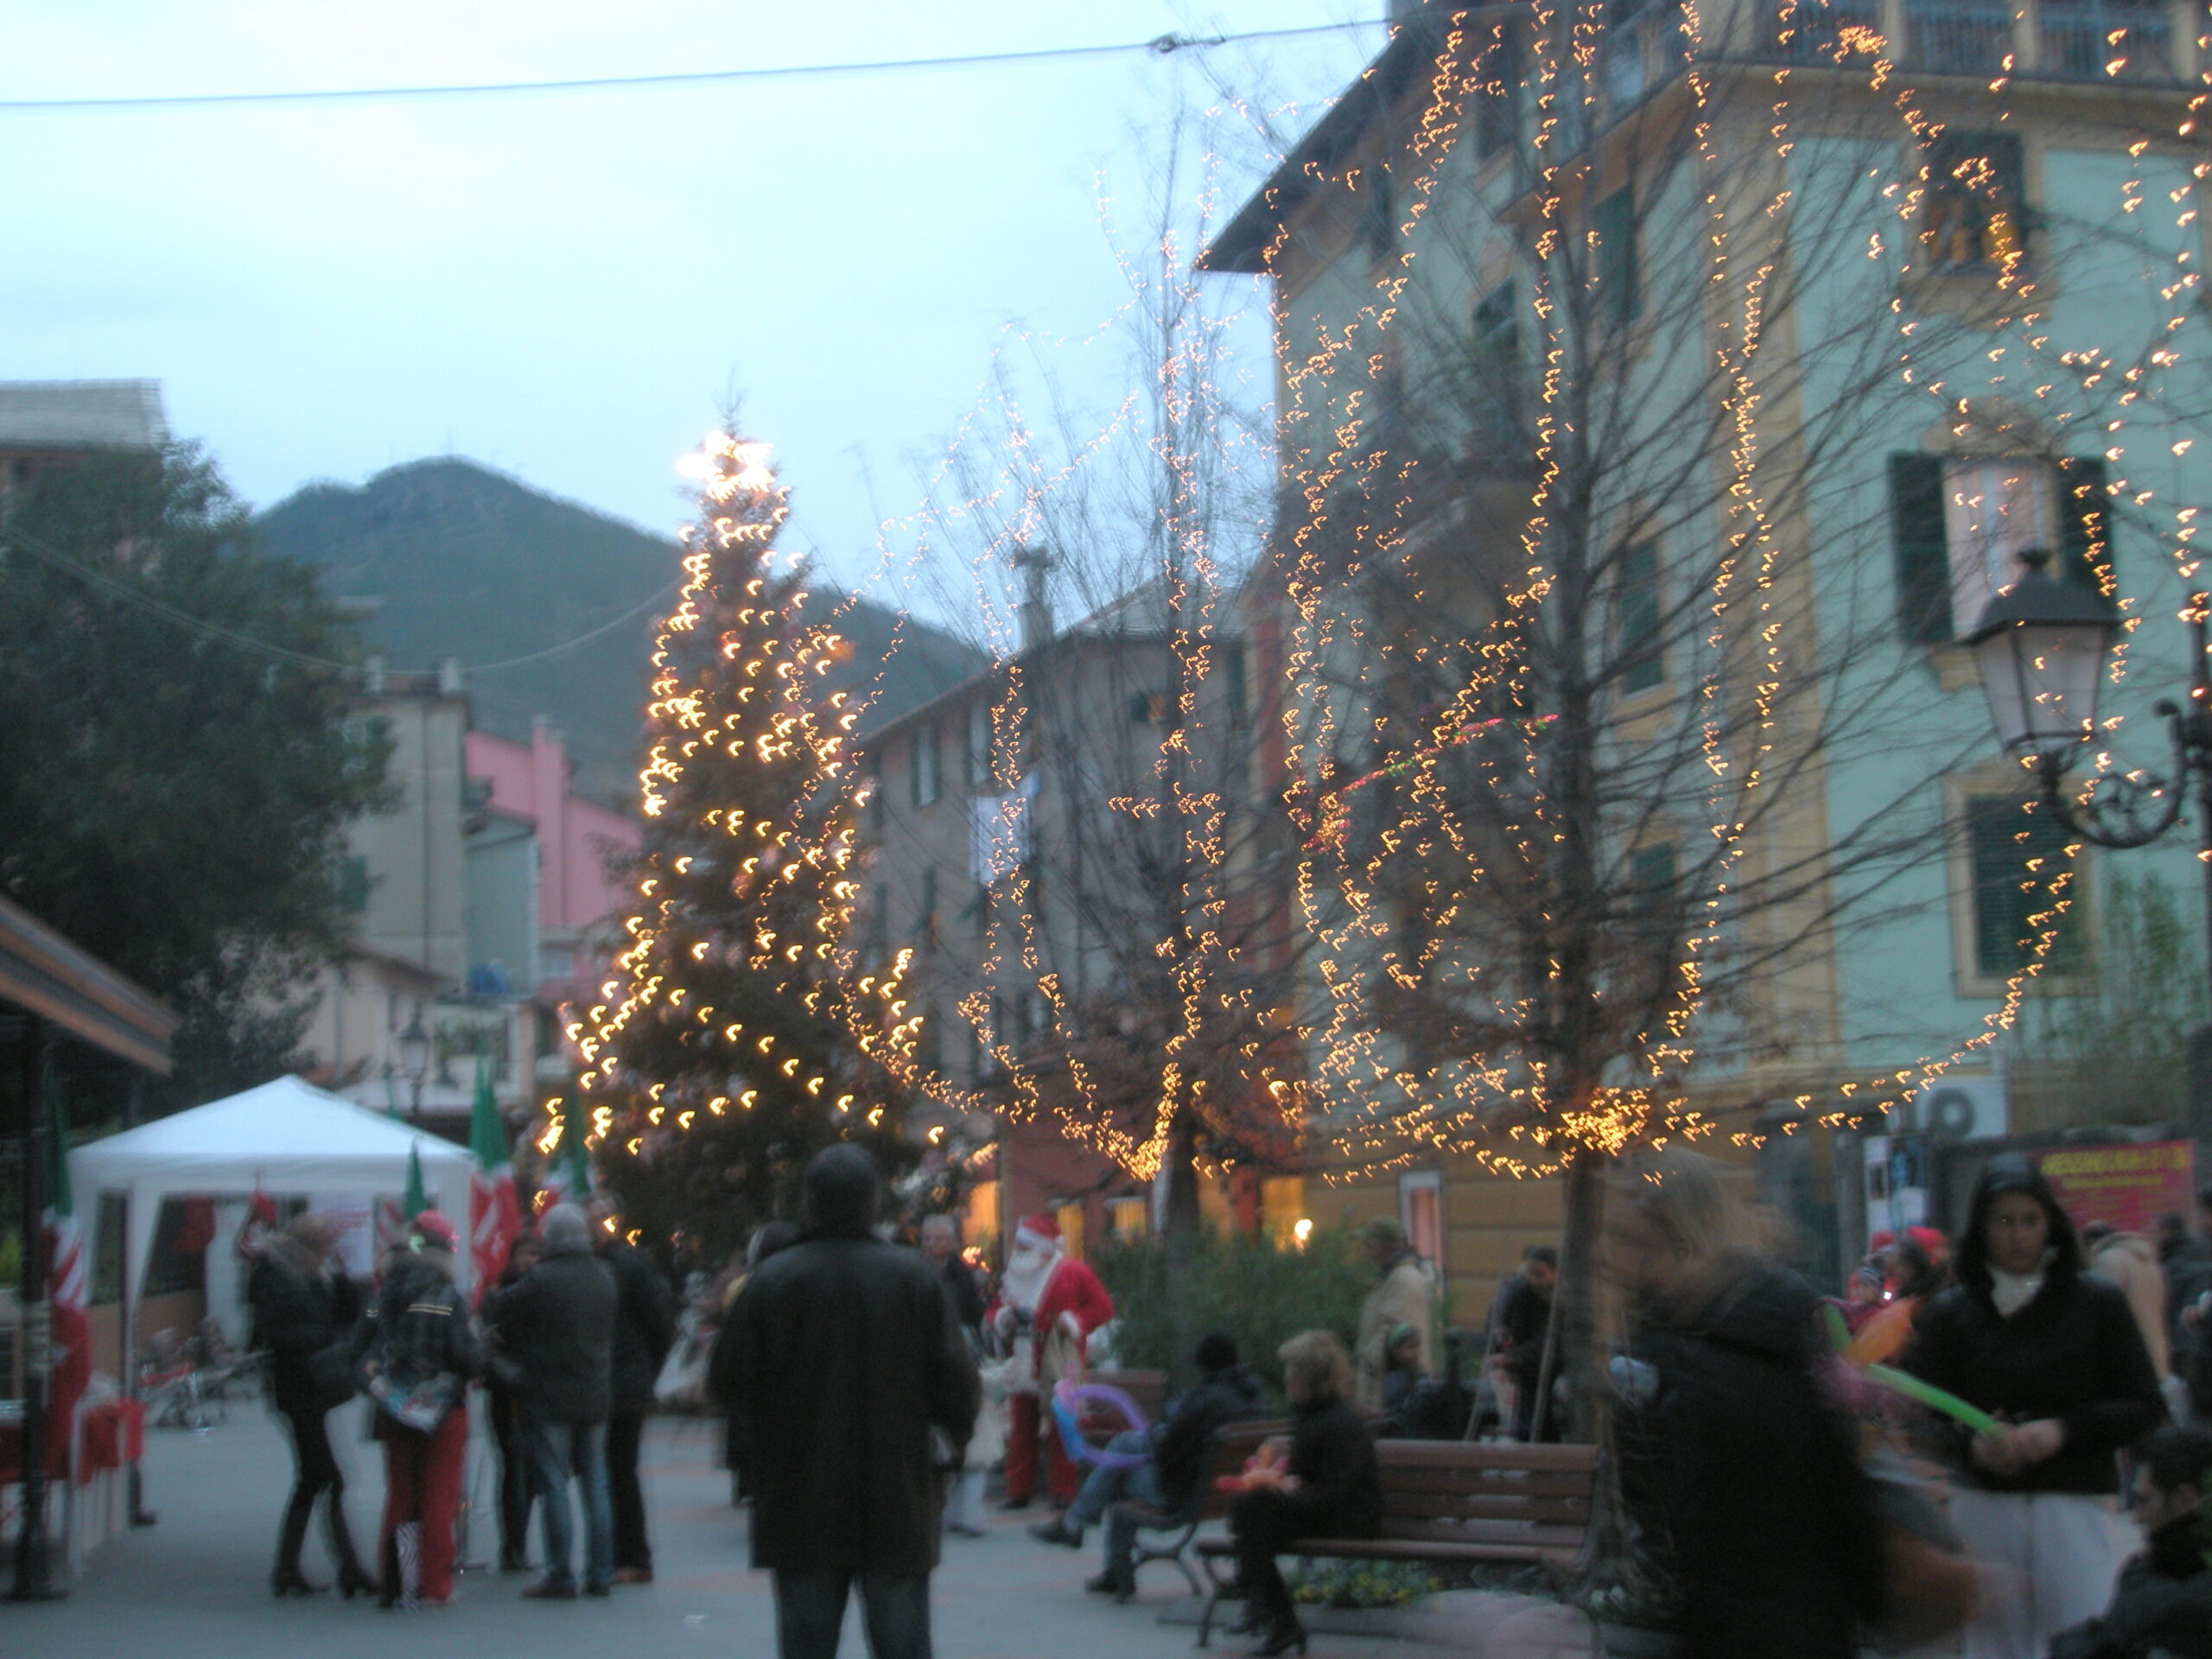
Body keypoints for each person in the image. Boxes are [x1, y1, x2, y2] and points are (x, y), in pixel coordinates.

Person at [1606, 1147, 1883, 1659]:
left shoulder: (1735, 1332)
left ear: (1679, 1236)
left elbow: (1827, 1477)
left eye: (1632, 1244)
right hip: (1742, 1614)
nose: (1614, 1260)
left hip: (1778, 1619)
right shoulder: (1675, 1329)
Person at [1899, 1154, 2166, 1659]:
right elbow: (1918, 1411)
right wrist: (1970, 1444)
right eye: (2003, 1221)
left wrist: (2063, 1431)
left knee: (2080, 1635)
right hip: (1983, 1508)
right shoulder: (1952, 1314)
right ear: (1981, 1228)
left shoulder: (2096, 1302)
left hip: (2072, 1502)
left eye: (2029, 1220)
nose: (2018, 1235)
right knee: (1995, 1642)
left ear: (2051, 1224)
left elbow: (2143, 1405)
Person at [721, 1145, 981, 1659]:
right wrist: (949, 1446)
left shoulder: (771, 1281)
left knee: (806, 1640)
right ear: (872, 1204)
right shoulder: (913, 1279)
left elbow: (729, 1381)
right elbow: (956, 1379)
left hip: (799, 1494)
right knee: (902, 1639)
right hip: (897, 1490)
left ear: (809, 1203)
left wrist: (757, 1456)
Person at [1029, 1331, 1266, 1594]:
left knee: (1120, 1469)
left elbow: (1169, 1449)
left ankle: (1094, 1548)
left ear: (1203, 1364)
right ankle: (1081, 1534)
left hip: (1182, 1495)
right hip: (1221, 1496)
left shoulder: (1208, 1400)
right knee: (1123, 1458)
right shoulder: (1252, 1396)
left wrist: (1156, 1433)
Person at [486, 1200, 618, 1600]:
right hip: (595, 1392)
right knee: (596, 1484)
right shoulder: (604, 1276)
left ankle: (562, 1573)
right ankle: (600, 1573)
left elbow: (498, 1307)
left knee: (554, 1483)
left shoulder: (543, 1278)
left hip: (548, 1394)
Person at [1226, 1331, 1381, 1658]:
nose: (1286, 1379)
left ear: (1310, 1379)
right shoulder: (1311, 1416)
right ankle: (1272, 1612)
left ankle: (1268, 1608)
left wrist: (1286, 1493)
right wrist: (1283, 1486)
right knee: (1250, 1508)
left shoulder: (1340, 1424)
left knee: (1254, 1514)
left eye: (1292, 1372)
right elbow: (1305, 1479)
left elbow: (1337, 1492)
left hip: (1349, 1518)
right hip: (1318, 1510)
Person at [246, 1211, 373, 1598]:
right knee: (325, 1476)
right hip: (295, 1384)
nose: (329, 1253)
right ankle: (345, 1568)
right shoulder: (274, 1274)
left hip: (314, 1387)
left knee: (315, 1477)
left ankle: (292, 1569)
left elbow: (347, 1314)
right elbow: (274, 1332)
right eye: (325, 1247)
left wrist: (341, 1278)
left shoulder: (313, 1274)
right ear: (307, 1247)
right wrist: (321, 1339)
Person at [357, 1210, 480, 1609]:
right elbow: (465, 1356)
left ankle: (396, 1579)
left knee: (401, 1494)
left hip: (393, 1407)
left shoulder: (382, 1296)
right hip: (444, 1410)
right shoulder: (447, 1298)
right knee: (439, 1497)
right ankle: (432, 1585)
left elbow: (361, 1347)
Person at [2049, 1421, 2212, 1658]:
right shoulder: (2159, 1570)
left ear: (2185, 1498)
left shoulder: (2153, 1589)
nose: (2137, 1517)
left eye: (2145, 1501)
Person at [988, 1212, 1115, 1510]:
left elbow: (1103, 1307)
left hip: (1059, 1357)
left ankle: (1063, 1489)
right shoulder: (1014, 1275)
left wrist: (1071, 1322)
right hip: (1023, 1357)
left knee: (1063, 1425)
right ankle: (1017, 1489)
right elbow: (995, 1310)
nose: (1018, 1251)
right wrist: (1004, 1318)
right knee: (1023, 1426)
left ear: (1042, 1247)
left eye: (1024, 1245)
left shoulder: (1072, 1272)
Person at [589, 1194, 677, 1586]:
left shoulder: (624, 1265)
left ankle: (631, 1555)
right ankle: (620, 1553)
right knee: (613, 1470)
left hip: (622, 1380)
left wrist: (645, 1370)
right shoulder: (611, 1264)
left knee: (618, 1470)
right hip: (619, 1377)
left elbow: (658, 1326)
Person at [920, 1214, 993, 1538]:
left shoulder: (961, 1276)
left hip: (958, 1356)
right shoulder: (917, 1271)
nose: (932, 1244)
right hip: (925, 1358)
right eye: (928, 1239)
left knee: (965, 1435)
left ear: (951, 1242)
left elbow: (975, 1316)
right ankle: (945, 1508)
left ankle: (960, 1510)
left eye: (938, 1239)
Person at [484, 1229, 542, 1573]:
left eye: (534, 1254)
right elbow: (488, 1339)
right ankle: (512, 1545)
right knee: (511, 1463)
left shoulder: (547, 1292)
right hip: (506, 1388)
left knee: (531, 1467)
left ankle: (517, 1541)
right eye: (522, 1254)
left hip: (536, 1387)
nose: (527, 1260)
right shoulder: (498, 1294)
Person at [1353, 1217, 1438, 1414]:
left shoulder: (1404, 1281)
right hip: (1385, 1386)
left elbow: (1399, 1334)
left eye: (1369, 1245)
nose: (1366, 1251)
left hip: (1394, 1391)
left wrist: (1369, 1362)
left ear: (1383, 1246)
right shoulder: (1389, 1278)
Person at [2084, 1219, 2171, 1382]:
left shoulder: (2107, 1262)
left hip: (2128, 1359)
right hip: (2157, 1354)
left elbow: (2102, 1316)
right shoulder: (2148, 1260)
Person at [1485, 1243, 1555, 1440]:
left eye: (1540, 1275)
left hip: (1547, 1371)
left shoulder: (1559, 1300)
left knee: (1541, 1425)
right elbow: (1501, 1323)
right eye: (1530, 1274)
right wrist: (1501, 1336)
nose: (1534, 1280)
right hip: (1526, 1370)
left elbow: (1550, 1342)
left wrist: (1511, 1357)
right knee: (1526, 1425)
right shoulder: (1520, 1292)